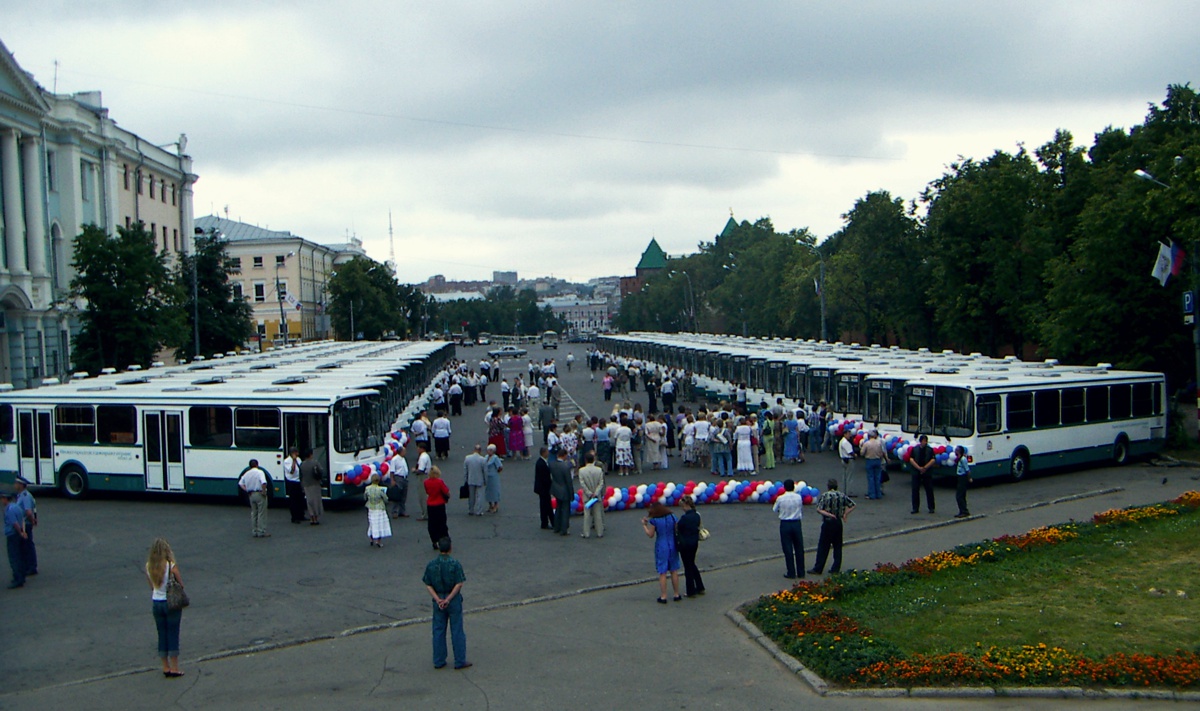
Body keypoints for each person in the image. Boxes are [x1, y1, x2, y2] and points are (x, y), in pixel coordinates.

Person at [422, 537, 470, 670]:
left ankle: (439, 660)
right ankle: (460, 660)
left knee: (438, 630)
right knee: (457, 630)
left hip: (438, 599)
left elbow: (428, 584)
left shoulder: (431, 564)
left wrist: (438, 599)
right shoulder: (455, 563)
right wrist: (448, 599)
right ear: (450, 548)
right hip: (452, 599)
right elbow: (459, 583)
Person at [144, 537, 183, 677]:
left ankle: (165, 667)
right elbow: (180, 582)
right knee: (173, 633)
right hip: (170, 602)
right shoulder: (170, 565)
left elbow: (151, 586)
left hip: (156, 601)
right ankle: (175, 667)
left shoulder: (149, 566)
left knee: (162, 634)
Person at [809, 479, 855, 575]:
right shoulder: (841, 495)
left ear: (828, 486)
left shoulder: (825, 495)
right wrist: (845, 514)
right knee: (837, 546)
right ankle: (835, 568)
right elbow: (852, 505)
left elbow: (819, 509)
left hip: (828, 522)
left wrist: (828, 514)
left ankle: (818, 568)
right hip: (838, 522)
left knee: (823, 546)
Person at [641, 503, 681, 603]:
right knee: (674, 570)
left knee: (662, 572)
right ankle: (676, 594)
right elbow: (677, 529)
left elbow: (650, 534)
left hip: (661, 546)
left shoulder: (655, 521)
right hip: (673, 545)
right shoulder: (672, 516)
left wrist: (644, 526)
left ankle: (664, 596)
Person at [773, 479, 805, 579]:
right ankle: (801, 572)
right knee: (799, 548)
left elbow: (775, 509)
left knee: (788, 549)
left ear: (784, 487)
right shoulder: (798, 497)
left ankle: (791, 572)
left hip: (785, 523)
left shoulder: (780, 498)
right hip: (796, 523)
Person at [676, 495, 705, 597]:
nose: (682, 508)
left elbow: (678, 528)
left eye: (682, 506)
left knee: (688, 567)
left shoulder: (684, 518)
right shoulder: (697, 515)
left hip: (685, 545)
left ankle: (690, 590)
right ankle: (700, 586)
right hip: (694, 543)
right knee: (692, 564)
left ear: (687, 505)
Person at [237, 459, 271, 538]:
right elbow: (263, 482)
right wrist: (264, 492)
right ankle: (261, 531)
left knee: (254, 513)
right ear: (257, 465)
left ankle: (254, 531)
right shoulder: (260, 472)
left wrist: (247, 490)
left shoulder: (247, 473)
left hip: (251, 494)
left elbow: (240, 483)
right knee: (261, 513)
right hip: (259, 493)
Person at [577, 452, 605, 539]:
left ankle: (586, 533)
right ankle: (600, 532)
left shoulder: (581, 471)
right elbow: (601, 483)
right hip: (596, 496)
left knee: (587, 515)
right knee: (598, 515)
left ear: (585, 460)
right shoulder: (599, 470)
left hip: (587, 496)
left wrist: (589, 493)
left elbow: (583, 484)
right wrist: (596, 493)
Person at [3, 490, 27, 589]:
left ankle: (18, 579)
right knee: (20, 555)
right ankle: (22, 576)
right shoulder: (17, 507)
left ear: (5, 499)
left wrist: (20, 532)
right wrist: (23, 532)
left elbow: (14, 523)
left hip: (13, 535)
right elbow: (22, 520)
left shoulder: (9, 509)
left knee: (14, 557)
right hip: (18, 535)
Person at [12, 476, 37, 575]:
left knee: (27, 546)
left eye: (16, 483)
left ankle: (31, 567)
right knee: (24, 546)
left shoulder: (25, 496)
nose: (14, 485)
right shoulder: (20, 495)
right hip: (22, 523)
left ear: (21, 485)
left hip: (25, 524)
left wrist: (32, 521)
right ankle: (28, 565)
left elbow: (28, 512)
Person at [549, 447, 574, 536]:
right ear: (564, 456)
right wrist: (571, 494)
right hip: (564, 491)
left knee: (558, 509)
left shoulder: (552, 464)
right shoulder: (565, 467)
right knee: (565, 511)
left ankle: (556, 527)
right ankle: (564, 529)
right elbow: (569, 482)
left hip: (556, 489)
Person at [910, 434, 937, 514]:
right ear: (920, 441)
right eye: (923, 441)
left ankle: (931, 507)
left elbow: (933, 460)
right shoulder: (915, 449)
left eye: (926, 441)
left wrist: (925, 468)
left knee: (929, 490)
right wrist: (918, 468)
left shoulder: (930, 450)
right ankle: (915, 508)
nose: (925, 442)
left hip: (927, 472)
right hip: (916, 472)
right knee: (915, 490)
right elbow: (911, 459)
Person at [424, 466, 451, 548]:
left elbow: (427, 492)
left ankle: (434, 540)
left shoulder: (426, 482)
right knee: (442, 523)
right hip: (439, 504)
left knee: (432, 524)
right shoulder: (439, 482)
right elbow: (446, 492)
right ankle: (444, 540)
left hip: (430, 504)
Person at [364, 473, 392, 547]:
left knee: (372, 523)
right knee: (379, 524)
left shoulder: (367, 488)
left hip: (371, 508)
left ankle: (371, 539)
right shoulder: (380, 490)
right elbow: (386, 499)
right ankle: (378, 541)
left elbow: (365, 497)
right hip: (379, 508)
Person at [860, 430, 888, 500]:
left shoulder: (866, 443)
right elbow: (882, 452)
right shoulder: (879, 443)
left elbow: (862, 453)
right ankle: (878, 494)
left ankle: (872, 494)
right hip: (878, 460)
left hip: (869, 460)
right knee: (878, 477)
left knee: (871, 478)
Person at [300, 449, 325, 525]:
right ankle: (316, 518)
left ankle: (311, 518)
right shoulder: (315, 463)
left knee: (309, 501)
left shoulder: (302, 464)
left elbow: (301, 476)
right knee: (316, 501)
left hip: (306, 485)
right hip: (315, 484)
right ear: (311, 454)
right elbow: (321, 471)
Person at [463, 444, 488, 517]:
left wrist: (465, 479)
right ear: (480, 450)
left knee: (471, 496)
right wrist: (486, 481)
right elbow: (485, 472)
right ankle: (479, 511)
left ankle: (471, 510)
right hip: (480, 480)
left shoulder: (467, 458)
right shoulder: (483, 459)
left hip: (470, 480)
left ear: (474, 450)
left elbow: (465, 470)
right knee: (480, 496)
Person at [283, 447, 306, 524]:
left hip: (299, 481)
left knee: (301, 499)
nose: (298, 454)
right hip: (292, 482)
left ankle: (301, 515)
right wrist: (293, 460)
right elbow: (292, 471)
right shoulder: (287, 461)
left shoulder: (299, 459)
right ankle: (294, 517)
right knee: (293, 500)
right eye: (296, 452)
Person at [533, 447, 554, 529]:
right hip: (544, 489)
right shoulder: (541, 464)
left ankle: (548, 522)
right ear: (544, 453)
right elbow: (545, 478)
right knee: (546, 506)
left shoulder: (541, 462)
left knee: (545, 506)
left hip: (542, 488)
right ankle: (547, 522)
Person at [386, 445, 409, 518]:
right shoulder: (394, 459)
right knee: (397, 495)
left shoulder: (403, 459)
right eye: (404, 451)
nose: (405, 452)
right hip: (398, 478)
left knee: (403, 496)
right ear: (401, 452)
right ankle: (394, 511)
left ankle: (402, 511)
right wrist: (392, 480)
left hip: (404, 478)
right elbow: (392, 471)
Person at [414, 441, 433, 521]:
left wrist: (414, 470)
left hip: (423, 477)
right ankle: (427, 513)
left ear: (421, 448)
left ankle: (425, 514)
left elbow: (421, 470)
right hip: (427, 476)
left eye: (418, 448)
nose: (417, 449)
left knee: (422, 496)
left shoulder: (422, 457)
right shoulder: (426, 456)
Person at [954, 445, 972, 518]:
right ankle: (962, 510)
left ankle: (964, 511)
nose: (955, 451)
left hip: (963, 478)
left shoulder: (963, 459)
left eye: (956, 450)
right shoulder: (959, 458)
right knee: (961, 495)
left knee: (959, 496)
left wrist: (969, 478)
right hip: (959, 477)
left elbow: (967, 470)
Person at [485, 444, 503, 514]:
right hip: (487, 476)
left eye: (490, 450)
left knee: (495, 491)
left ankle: (496, 505)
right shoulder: (486, 457)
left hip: (494, 476)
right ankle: (490, 505)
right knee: (488, 491)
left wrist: (496, 472)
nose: (488, 451)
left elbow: (500, 467)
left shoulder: (495, 458)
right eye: (488, 450)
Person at [838, 430, 856, 495]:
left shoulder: (841, 441)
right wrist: (855, 455)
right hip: (848, 459)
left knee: (845, 476)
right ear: (845, 434)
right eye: (848, 434)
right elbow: (850, 452)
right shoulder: (846, 442)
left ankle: (844, 490)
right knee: (849, 476)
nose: (850, 435)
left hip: (843, 459)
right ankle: (849, 492)